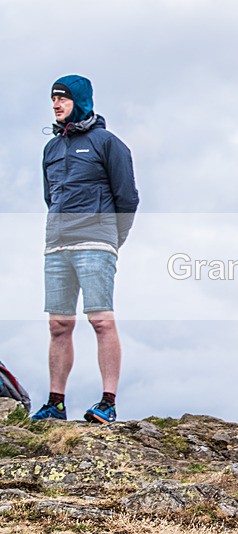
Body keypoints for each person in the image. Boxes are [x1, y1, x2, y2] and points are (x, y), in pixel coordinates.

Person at [32, 75, 139, 424]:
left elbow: (127, 198)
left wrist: (112, 239)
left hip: (96, 241)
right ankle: (55, 403)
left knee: (101, 321)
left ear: (79, 101)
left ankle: (108, 402)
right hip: (56, 244)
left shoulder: (107, 143)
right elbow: (50, 197)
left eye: (62, 99)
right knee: (58, 325)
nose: (56, 105)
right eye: (53, 99)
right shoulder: (51, 148)